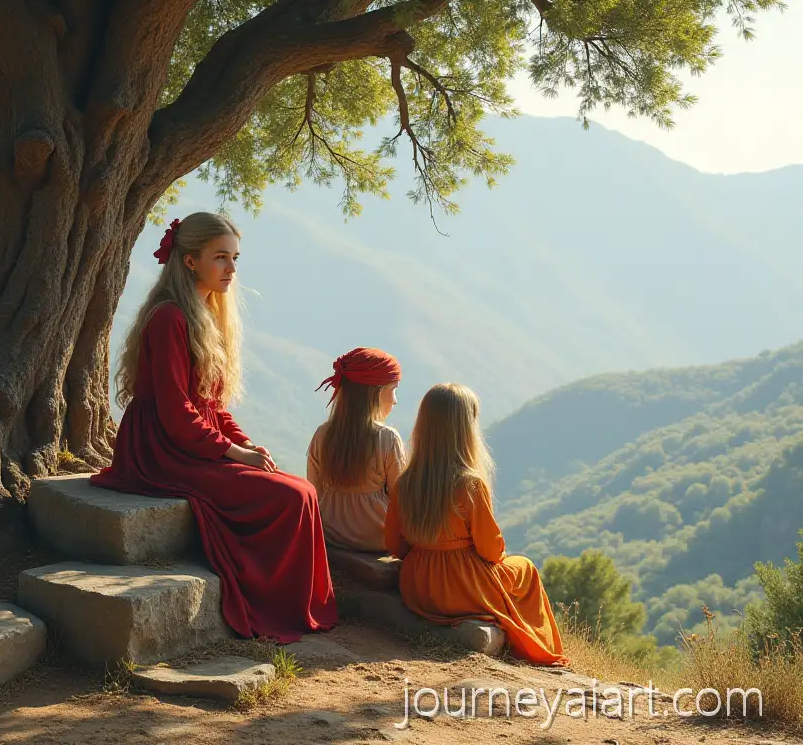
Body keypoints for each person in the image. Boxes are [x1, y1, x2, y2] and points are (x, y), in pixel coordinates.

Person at [90, 212, 337, 643]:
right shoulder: (169, 318)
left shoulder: (204, 314)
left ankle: (298, 603)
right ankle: (277, 603)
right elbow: (176, 412)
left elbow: (212, 405)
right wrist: (234, 454)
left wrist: (245, 443)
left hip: (191, 439)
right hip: (161, 448)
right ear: (190, 261)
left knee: (302, 489)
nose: (231, 269)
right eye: (220, 257)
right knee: (292, 496)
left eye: (235, 258)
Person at [384, 383, 567, 665]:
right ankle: (537, 649)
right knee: (526, 569)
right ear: (465, 429)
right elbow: (490, 551)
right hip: (463, 588)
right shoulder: (469, 484)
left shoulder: (405, 483)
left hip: (417, 588)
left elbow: (395, 545)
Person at [306, 347, 406, 552]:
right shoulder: (387, 438)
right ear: (376, 392)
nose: (395, 400)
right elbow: (401, 500)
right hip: (377, 540)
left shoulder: (322, 435)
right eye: (393, 389)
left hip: (330, 535)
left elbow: (314, 492)